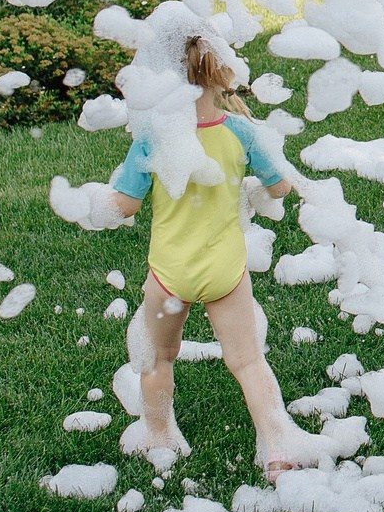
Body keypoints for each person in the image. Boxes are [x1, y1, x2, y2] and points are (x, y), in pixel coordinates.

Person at [104, 31, 321, 482]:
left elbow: (123, 206)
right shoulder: (241, 131)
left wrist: (91, 204)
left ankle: (160, 436)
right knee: (247, 360)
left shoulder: (152, 139)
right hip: (225, 269)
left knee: (157, 359)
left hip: (169, 273)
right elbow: (280, 187)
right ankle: (278, 448)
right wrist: (250, 189)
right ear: (224, 74)